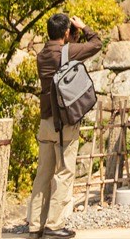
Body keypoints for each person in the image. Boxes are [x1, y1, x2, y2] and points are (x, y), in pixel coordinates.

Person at [28, 12, 103, 239]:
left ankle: (35, 227)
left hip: (45, 122)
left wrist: (72, 36)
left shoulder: (42, 55)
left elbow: (64, 56)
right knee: (63, 173)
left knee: (43, 174)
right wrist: (83, 26)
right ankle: (54, 225)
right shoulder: (68, 52)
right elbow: (96, 44)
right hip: (65, 124)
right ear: (66, 32)